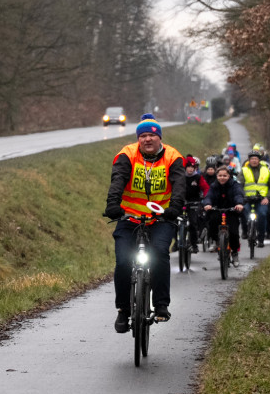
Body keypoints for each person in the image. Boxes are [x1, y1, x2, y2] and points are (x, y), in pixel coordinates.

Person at [103, 116, 186, 332]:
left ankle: (160, 305)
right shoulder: (127, 154)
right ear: (138, 139)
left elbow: (178, 185)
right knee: (122, 263)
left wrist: (174, 208)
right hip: (129, 218)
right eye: (143, 136)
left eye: (151, 135)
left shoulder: (172, 157)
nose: (147, 139)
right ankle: (123, 310)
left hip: (160, 219)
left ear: (159, 137)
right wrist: (113, 205)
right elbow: (118, 179)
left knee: (159, 254)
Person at [203, 166, 245, 263]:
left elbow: (238, 194)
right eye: (220, 175)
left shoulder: (235, 185)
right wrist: (208, 204)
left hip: (231, 210)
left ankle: (234, 252)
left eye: (225, 175)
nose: (222, 177)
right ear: (217, 176)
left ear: (229, 176)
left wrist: (239, 204)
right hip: (217, 210)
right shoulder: (214, 186)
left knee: (234, 233)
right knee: (212, 222)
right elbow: (209, 196)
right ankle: (216, 242)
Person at [240, 150, 270, 247]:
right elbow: (239, 185)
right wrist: (242, 196)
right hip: (247, 199)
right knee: (243, 212)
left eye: (256, 159)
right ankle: (245, 231)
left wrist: (268, 198)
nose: (254, 161)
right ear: (249, 160)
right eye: (252, 159)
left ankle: (261, 239)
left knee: (262, 214)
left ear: (259, 160)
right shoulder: (244, 171)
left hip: (262, 200)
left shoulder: (265, 171)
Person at [183, 156, 209, 252]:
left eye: (192, 167)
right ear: (185, 168)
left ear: (195, 168)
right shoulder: (181, 176)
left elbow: (205, 188)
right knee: (173, 222)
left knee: (193, 223)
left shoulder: (198, 177)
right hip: (181, 201)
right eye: (188, 167)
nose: (190, 169)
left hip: (194, 202)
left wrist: (205, 197)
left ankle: (194, 245)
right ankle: (176, 242)